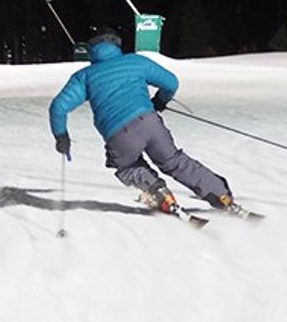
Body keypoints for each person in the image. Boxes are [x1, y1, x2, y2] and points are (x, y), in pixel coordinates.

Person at [48, 28, 246, 217]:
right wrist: (160, 100)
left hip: (118, 135)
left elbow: (58, 107)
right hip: (150, 124)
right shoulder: (135, 61)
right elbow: (171, 82)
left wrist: (61, 137)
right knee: (175, 162)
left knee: (127, 167)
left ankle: (158, 193)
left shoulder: (84, 76)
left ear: (91, 50)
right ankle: (221, 195)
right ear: (117, 45)